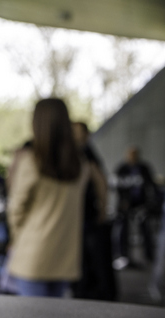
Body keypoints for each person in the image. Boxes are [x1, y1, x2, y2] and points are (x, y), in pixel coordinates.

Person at [6, 98, 89, 298]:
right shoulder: (80, 165)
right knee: (55, 316)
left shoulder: (31, 161)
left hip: (32, 255)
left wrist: (16, 239)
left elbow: (16, 209)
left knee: (32, 317)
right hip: (65, 256)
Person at [71, 122, 117, 301]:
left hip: (88, 217)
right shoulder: (77, 152)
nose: (75, 136)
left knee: (93, 261)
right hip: (78, 218)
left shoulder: (86, 153)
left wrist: (103, 211)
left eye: (78, 132)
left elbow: (100, 183)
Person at [114, 146, 160, 267]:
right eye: (130, 155)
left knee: (145, 229)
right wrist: (123, 201)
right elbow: (119, 186)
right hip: (126, 205)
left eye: (134, 155)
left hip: (141, 204)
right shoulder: (122, 169)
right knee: (123, 230)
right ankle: (123, 255)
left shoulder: (144, 168)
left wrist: (151, 202)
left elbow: (151, 185)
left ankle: (149, 256)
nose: (132, 157)